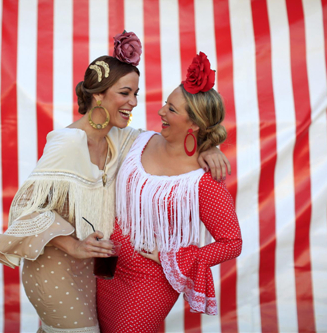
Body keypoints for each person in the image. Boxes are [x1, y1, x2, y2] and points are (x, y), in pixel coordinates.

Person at [0, 34, 230, 332]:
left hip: (94, 270)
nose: (135, 103)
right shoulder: (68, 143)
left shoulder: (124, 139)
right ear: (98, 95)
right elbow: (25, 209)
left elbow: (173, 145)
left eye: (136, 94)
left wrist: (207, 145)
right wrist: (73, 246)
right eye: (125, 93)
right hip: (57, 266)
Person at [96, 52, 242, 333]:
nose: (161, 111)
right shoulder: (138, 141)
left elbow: (232, 242)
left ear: (195, 124)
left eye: (172, 109)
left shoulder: (203, 180)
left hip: (148, 282)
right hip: (105, 266)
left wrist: (174, 258)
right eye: (166, 103)